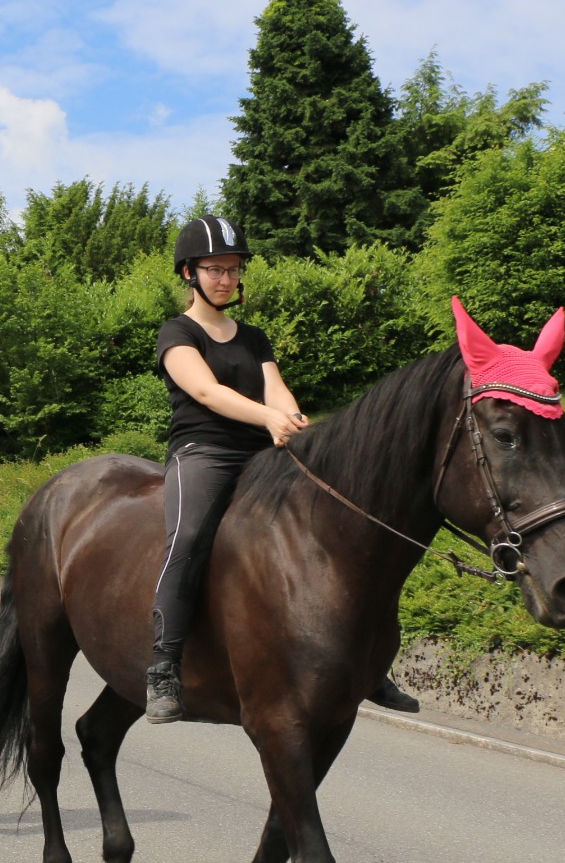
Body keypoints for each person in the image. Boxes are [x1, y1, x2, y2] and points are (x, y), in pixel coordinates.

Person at [144, 217, 420, 723]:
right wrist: (268, 416)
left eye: (233, 268)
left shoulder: (253, 336)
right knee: (185, 542)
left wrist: (289, 416)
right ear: (189, 272)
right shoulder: (177, 332)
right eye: (214, 269)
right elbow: (207, 392)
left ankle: (370, 663)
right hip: (202, 451)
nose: (226, 278)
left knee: (337, 523)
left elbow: (275, 387)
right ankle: (163, 666)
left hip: (261, 450)